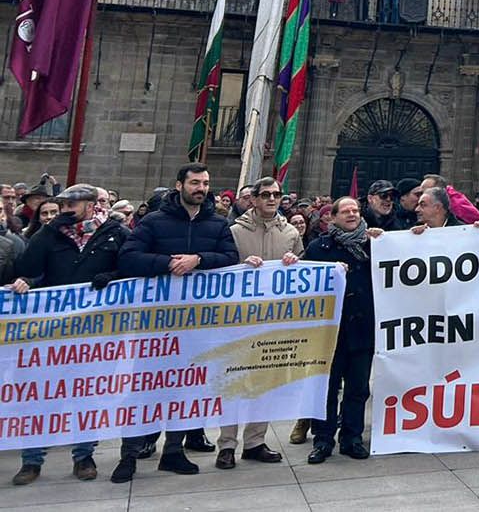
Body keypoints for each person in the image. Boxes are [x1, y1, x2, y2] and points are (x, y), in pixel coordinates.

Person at [112, 164, 239, 482]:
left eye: (206, 183)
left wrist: (199, 259)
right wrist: (167, 263)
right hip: (156, 324)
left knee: (187, 388)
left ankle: (173, 451)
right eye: (195, 182)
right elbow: (128, 257)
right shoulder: (154, 221)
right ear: (179, 184)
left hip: (197, 324)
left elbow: (230, 258)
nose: (201, 188)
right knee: (144, 388)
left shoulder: (218, 224)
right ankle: (129, 454)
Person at [8, 184, 129, 484]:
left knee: (87, 397)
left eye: (71, 205)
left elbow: (129, 268)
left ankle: (84, 456)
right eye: (62, 204)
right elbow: (26, 267)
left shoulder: (113, 233)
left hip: (94, 335)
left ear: (90, 206)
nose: (65, 209)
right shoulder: (50, 235)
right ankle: (32, 460)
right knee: (40, 397)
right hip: (51, 333)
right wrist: (48, 233)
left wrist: (111, 278)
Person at [216, 177, 302, 469]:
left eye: (276, 195)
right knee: (234, 383)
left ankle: (255, 441)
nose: (271, 199)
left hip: (273, 320)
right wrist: (241, 265)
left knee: (263, 383)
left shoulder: (290, 232)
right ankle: (227, 444)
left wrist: (295, 261)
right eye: (265, 194)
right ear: (253, 199)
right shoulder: (235, 231)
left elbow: (304, 268)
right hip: (239, 320)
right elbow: (222, 267)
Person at [303, 196, 379, 461]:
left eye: (355, 211)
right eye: (345, 211)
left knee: (358, 388)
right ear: (332, 217)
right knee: (326, 387)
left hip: (363, 328)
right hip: (329, 332)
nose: (352, 215)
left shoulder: (376, 245)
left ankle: (352, 437)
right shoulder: (318, 248)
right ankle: (323, 439)